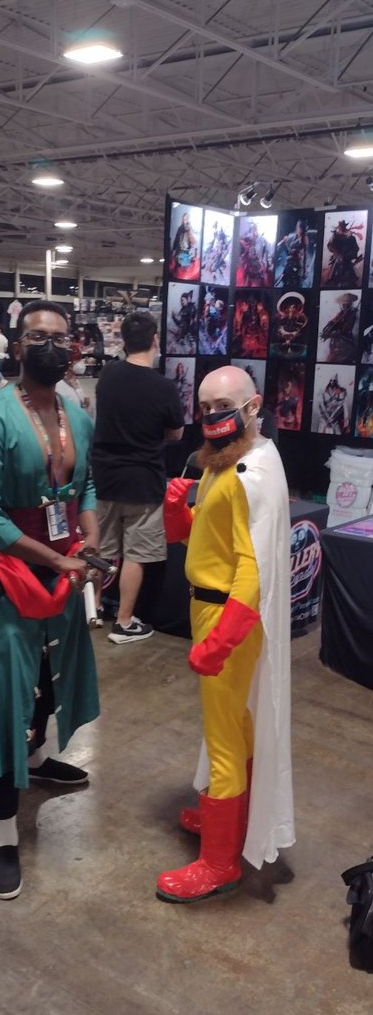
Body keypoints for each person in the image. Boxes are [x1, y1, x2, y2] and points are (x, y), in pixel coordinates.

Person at [0, 300, 100, 900]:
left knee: (48, 676)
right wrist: (56, 560)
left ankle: (35, 761)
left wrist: (87, 539)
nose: (49, 346)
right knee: (5, 698)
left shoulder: (74, 414)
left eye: (59, 336)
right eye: (37, 336)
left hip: (63, 570)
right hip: (5, 576)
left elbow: (84, 484)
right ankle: (2, 832)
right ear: (16, 344)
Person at [156, 365, 294, 904]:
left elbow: (253, 567)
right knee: (237, 723)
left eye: (224, 405)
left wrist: (221, 639)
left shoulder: (248, 473)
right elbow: (212, 539)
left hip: (225, 616)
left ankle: (219, 863)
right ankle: (233, 822)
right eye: (206, 406)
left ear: (253, 406)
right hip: (213, 609)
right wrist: (179, 512)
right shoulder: (228, 460)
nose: (213, 415)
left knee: (223, 736)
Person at [92, 311, 184, 644]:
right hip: (143, 481)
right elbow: (176, 434)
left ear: (124, 341)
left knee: (101, 548)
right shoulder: (163, 387)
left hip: (105, 477)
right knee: (136, 554)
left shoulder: (107, 376)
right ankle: (124, 622)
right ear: (155, 340)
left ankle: (92, 609)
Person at [56, 352, 93, 417]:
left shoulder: (75, 382)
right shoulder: (59, 385)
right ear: (69, 364)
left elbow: (83, 403)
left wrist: (84, 400)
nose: (81, 363)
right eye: (77, 361)